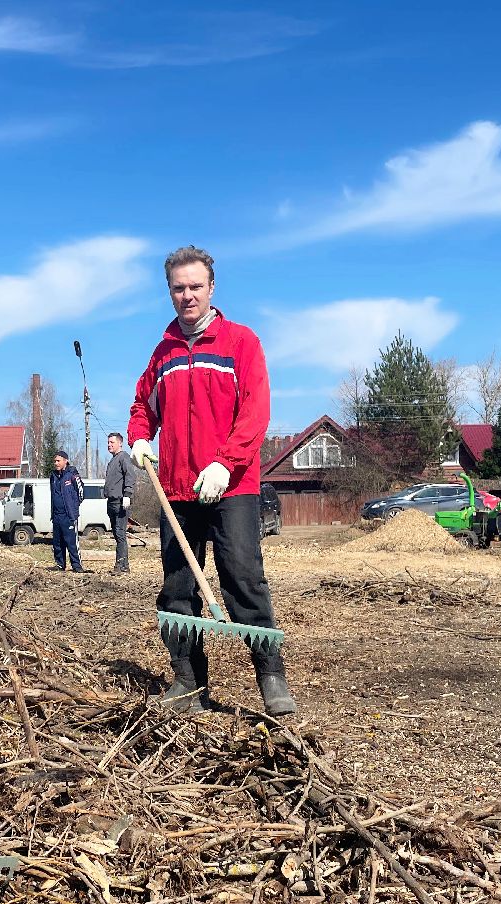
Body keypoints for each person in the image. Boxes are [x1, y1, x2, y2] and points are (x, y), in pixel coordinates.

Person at [128, 245, 295, 716]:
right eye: (178, 288)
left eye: (195, 287)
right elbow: (143, 406)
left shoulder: (241, 343)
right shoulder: (162, 354)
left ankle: (270, 676)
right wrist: (140, 437)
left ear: (211, 288)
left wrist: (226, 463)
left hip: (232, 487)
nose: (187, 296)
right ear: (169, 292)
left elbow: (256, 411)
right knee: (179, 588)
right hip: (177, 490)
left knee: (242, 578)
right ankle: (188, 681)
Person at [104, 432, 135, 574]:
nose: (109, 445)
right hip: (111, 502)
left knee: (120, 533)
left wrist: (127, 495)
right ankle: (121, 564)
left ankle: (122, 566)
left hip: (120, 502)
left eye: (112, 442)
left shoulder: (124, 457)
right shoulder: (112, 460)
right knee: (116, 535)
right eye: (108, 442)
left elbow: (130, 475)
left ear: (120, 443)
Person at [49, 450, 85, 572]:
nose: (56, 463)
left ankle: (77, 566)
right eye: (55, 461)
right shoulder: (53, 476)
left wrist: (74, 507)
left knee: (71, 543)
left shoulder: (72, 474)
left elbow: (81, 493)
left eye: (58, 461)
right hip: (57, 515)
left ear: (65, 461)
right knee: (57, 543)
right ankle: (60, 565)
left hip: (68, 515)